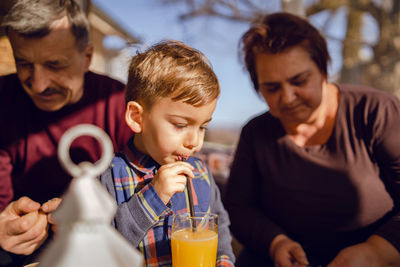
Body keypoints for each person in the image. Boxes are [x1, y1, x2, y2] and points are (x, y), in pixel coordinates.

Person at [224, 12, 400, 267]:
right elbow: (239, 208)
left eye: (299, 81)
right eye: (272, 88)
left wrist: (377, 252)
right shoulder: (255, 133)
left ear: (324, 68)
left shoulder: (377, 112)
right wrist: (276, 242)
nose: (287, 97)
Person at [0, 0, 132, 265]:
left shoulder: (121, 105)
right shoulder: (3, 98)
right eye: (24, 63)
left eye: (54, 65)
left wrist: (94, 220)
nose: (38, 85)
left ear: (87, 58)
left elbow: (145, 193)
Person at [99, 40, 235, 266]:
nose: (194, 142)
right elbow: (102, 248)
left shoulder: (200, 173)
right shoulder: (108, 177)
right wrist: (154, 196)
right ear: (136, 117)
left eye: (202, 127)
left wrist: (224, 262)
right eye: (180, 125)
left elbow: (219, 229)